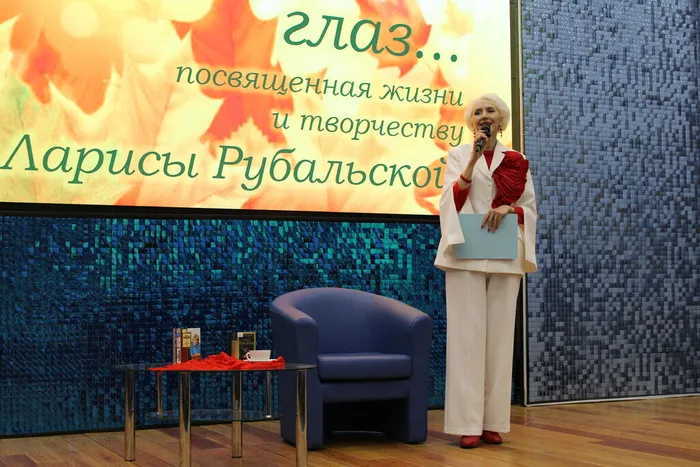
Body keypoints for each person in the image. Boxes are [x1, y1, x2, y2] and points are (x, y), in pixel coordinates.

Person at [434, 93, 538, 449]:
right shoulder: (459, 154)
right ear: (471, 122)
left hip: (505, 250)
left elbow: (529, 208)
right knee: (467, 337)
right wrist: (472, 161)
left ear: (501, 120)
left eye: (490, 110)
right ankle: (468, 423)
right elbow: (450, 201)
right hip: (465, 251)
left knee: (500, 339)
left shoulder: (517, 160)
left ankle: (493, 421)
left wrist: (510, 209)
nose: (484, 115)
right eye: (477, 111)